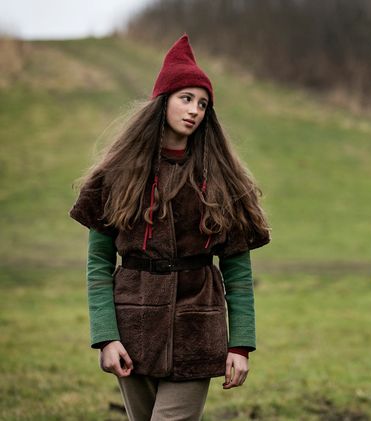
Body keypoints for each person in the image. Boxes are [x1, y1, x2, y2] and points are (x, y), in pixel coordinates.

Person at [70, 34, 270, 420]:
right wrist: (106, 338)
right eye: (186, 98)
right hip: (133, 330)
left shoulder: (222, 179)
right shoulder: (117, 174)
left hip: (198, 330)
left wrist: (240, 345)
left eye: (203, 104)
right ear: (163, 101)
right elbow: (98, 266)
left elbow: (238, 274)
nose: (195, 110)